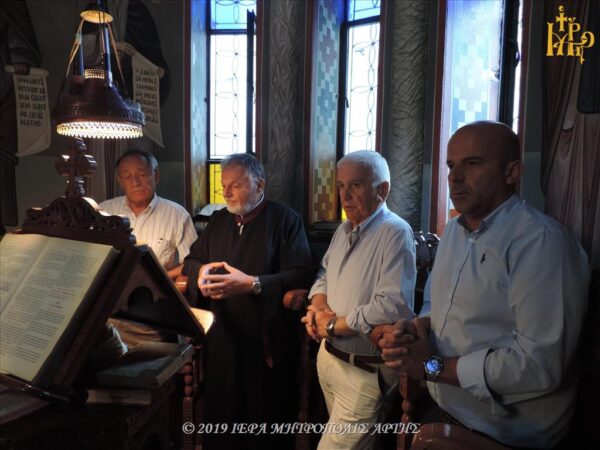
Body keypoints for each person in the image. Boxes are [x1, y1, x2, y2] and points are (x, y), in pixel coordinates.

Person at [379, 121, 591, 449]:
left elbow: (539, 366)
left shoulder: (541, 243)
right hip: (447, 411)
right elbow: (435, 305)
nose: (455, 177)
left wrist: (431, 366)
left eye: (473, 163)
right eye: (451, 165)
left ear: (512, 172)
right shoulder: (453, 232)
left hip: (502, 435)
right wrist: (417, 328)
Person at [182, 153, 314, 450]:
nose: (227, 193)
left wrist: (253, 284)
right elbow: (191, 261)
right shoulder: (218, 221)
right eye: (224, 186)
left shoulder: (285, 220)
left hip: (265, 342)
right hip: (222, 338)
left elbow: (301, 274)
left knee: (264, 425)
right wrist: (200, 272)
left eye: (236, 185)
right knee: (222, 424)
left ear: (260, 185)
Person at [302, 150, 416, 450]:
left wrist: (332, 326)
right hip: (329, 359)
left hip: (364, 370)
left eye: (355, 185)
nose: (345, 195)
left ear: (382, 190)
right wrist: (318, 308)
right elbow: (324, 274)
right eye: (341, 186)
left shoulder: (395, 231)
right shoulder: (343, 230)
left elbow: (392, 305)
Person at [100, 149, 197, 346]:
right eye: (127, 176)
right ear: (120, 181)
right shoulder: (105, 211)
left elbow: (192, 262)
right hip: (107, 310)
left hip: (151, 313)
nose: (135, 182)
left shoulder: (177, 215)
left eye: (142, 174)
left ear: (156, 175)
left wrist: (159, 277)